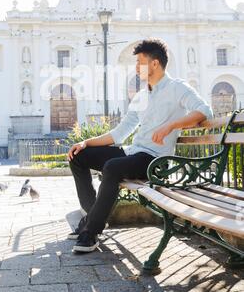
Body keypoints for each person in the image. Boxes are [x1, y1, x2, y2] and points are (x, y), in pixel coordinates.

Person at [67, 38, 213, 253]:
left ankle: (90, 232)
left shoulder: (177, 88)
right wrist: (85, 142)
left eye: (140, 62)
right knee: (79, 156)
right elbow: (120, 133)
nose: (136, 67)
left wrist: (171, 126)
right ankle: (92, 217)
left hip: (155, 159)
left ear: (154, 64)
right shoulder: (142, 96)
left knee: (113, 167)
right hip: (133, 153)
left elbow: (205, 111)